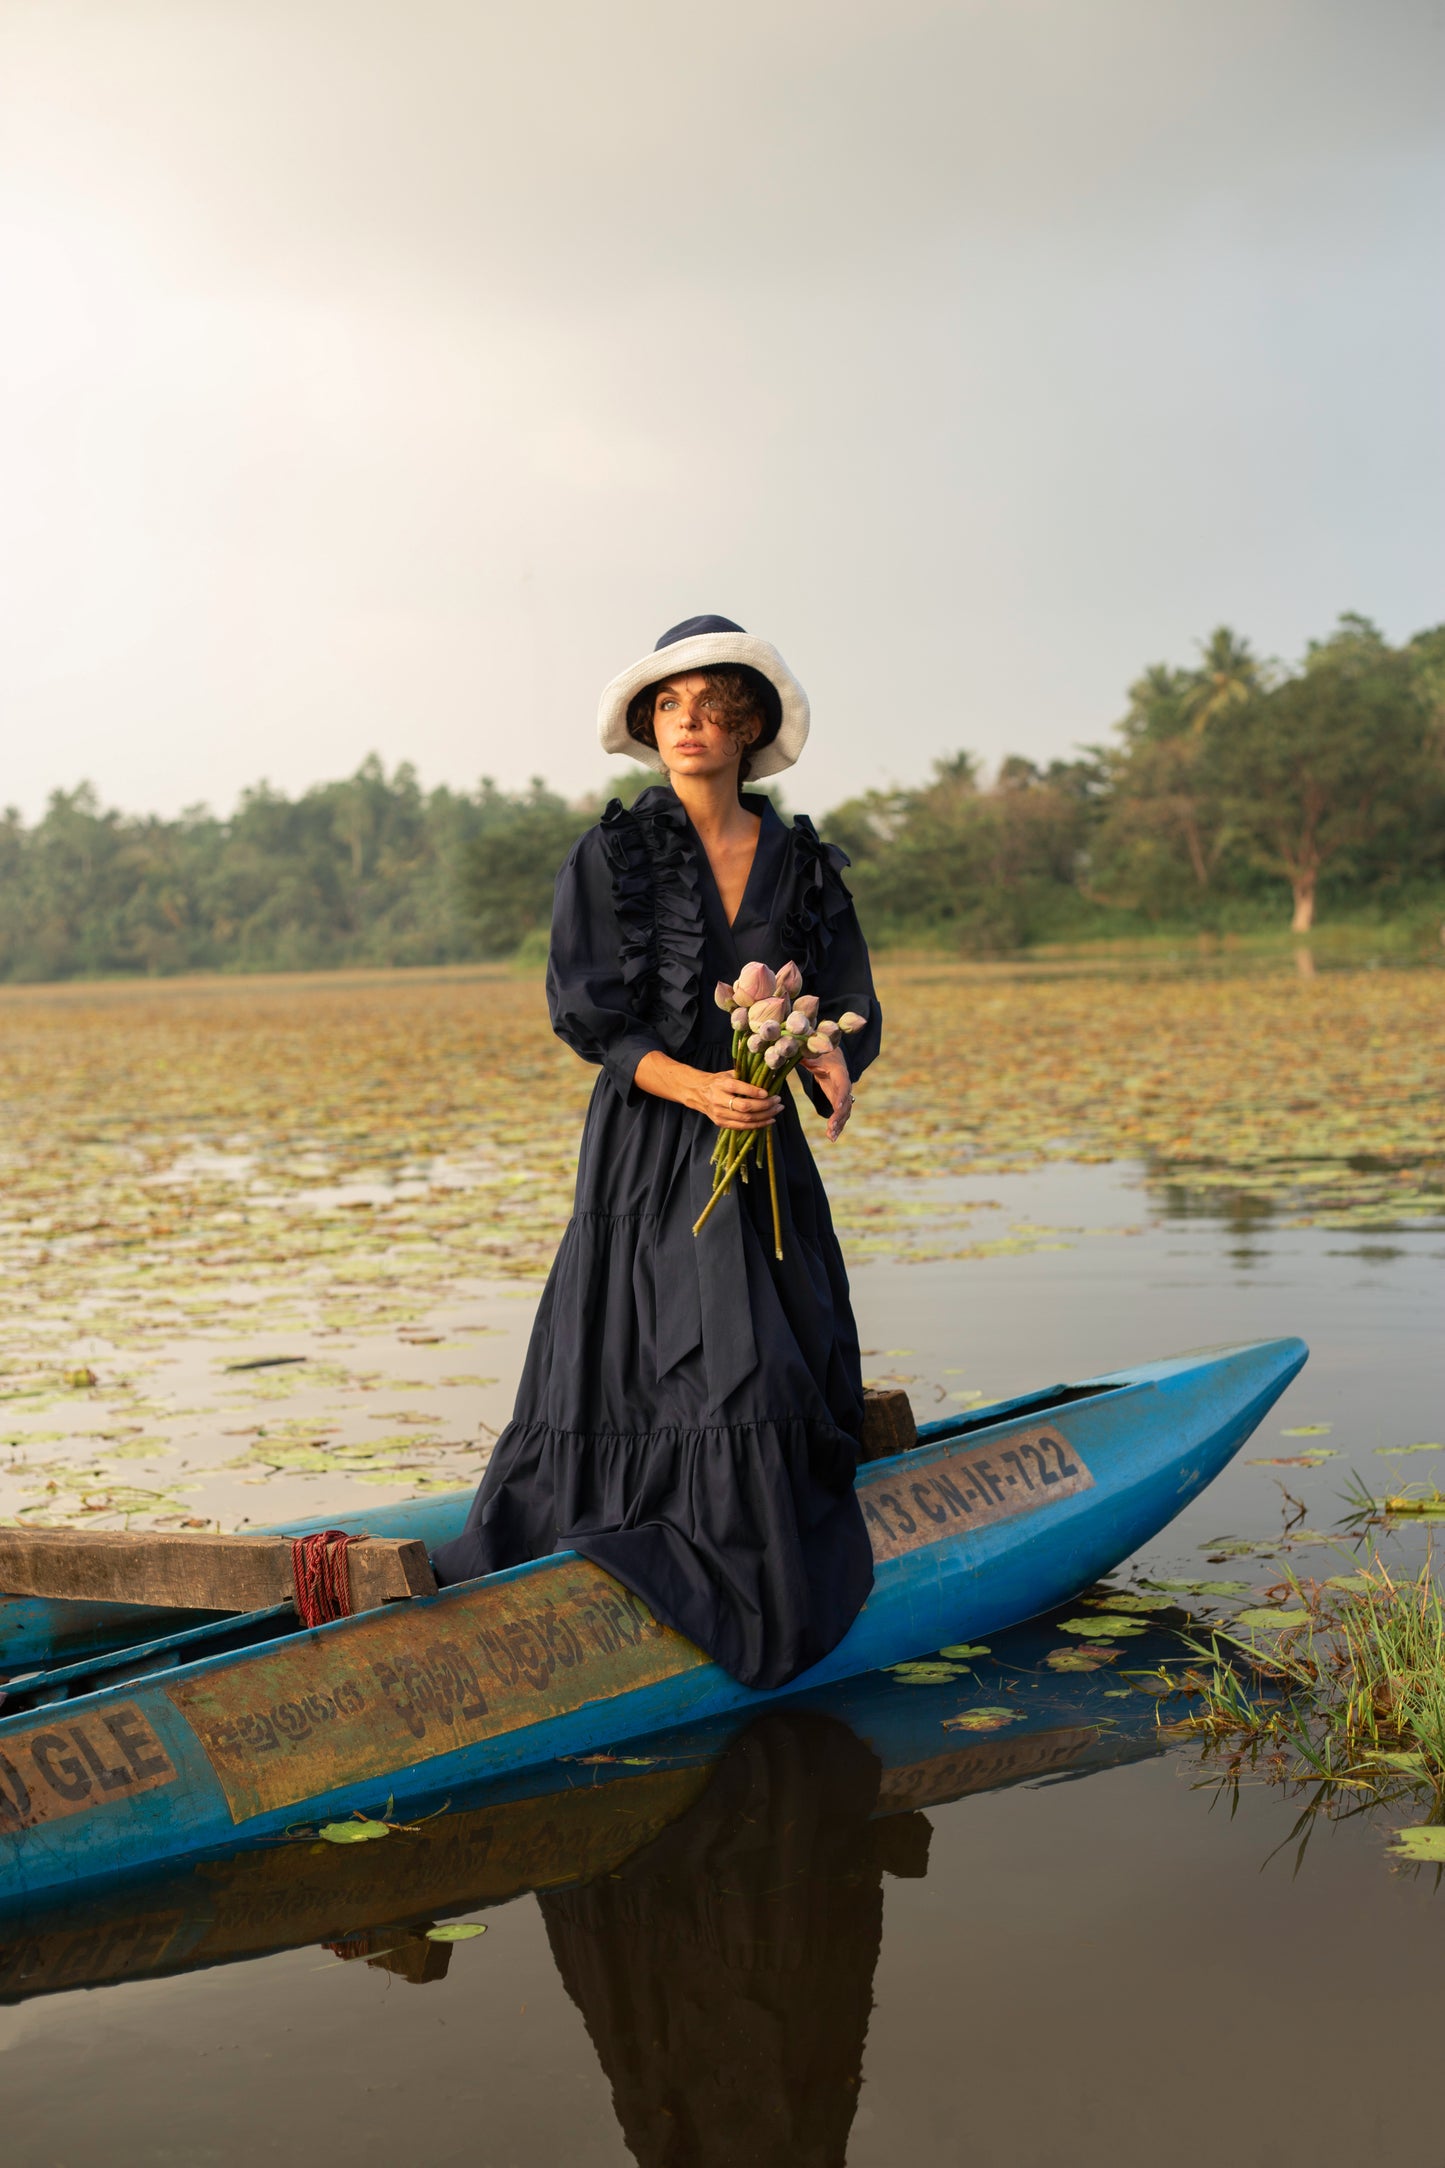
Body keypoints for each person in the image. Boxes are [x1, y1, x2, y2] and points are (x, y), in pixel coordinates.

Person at [432, 614, 882, 1689]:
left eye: (711, 708)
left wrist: (822, 1054)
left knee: (765, 1353)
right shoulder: (612, 853)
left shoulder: (800, 860)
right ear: (650, 726)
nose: (689, 724)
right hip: (647, 1138)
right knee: (649, 1352)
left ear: (747, 729)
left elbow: (845, 992)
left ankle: (753, 1532)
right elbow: (584, 1009)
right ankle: (644, 1534)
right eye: (669, 707)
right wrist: (693, 1084)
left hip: (758, 1145)